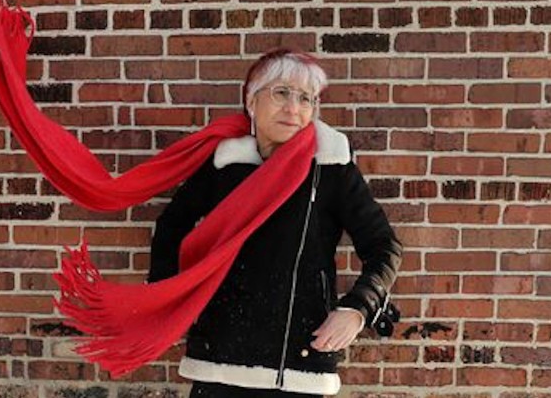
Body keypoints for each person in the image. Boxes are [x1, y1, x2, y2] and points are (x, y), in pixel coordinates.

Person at [147, 49, 403, 397]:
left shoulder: (331, 169)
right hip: (221, 355)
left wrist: (357, 309)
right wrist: (168, 300)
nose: (293, 108)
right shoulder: (226, 164)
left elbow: (383, 246)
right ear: (252, 101)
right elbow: (172, 226)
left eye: (305, 98)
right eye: (281, 93)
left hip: (297, 359)